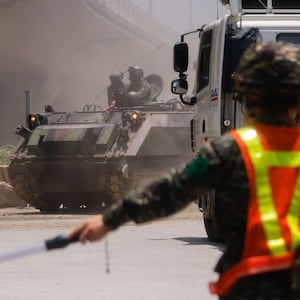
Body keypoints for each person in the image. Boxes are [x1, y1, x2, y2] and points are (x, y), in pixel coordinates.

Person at [69, 41, 300, 299]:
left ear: (248, 94)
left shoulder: (232, 150)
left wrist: (108, 220)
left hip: (254, 287)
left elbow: (171, 190)